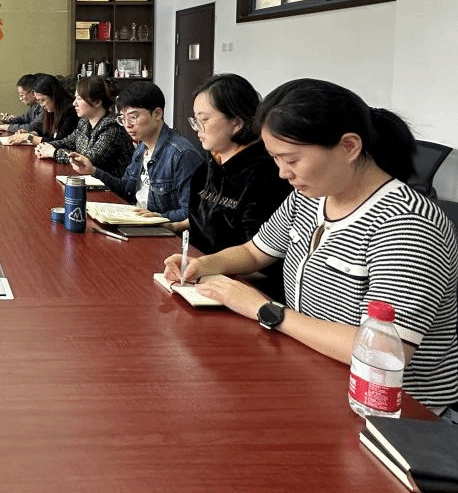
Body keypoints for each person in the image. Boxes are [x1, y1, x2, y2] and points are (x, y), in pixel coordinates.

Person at [163, 78, 458, 416]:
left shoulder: (407, 223)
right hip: (315, 374)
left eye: (291, 160)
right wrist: (203, 265)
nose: (282, 173)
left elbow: (380, 351)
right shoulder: (310, 197)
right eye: (275, 159)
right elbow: (255, 252)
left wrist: (266, 310)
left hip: (398, 413)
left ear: (349, 146)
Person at [166, 74, 291, 300]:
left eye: (204, 120)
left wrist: (206, 269)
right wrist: (172, 225)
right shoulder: (210, 164)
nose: (197, 129)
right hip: (201, 272)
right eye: (195, 120)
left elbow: (261, 256)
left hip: (245, 287)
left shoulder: (267, 175)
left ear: (237, 123)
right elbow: (206, 217)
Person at [70, 81, 204, 222]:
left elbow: (191, 213)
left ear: (157, 114)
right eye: (123, 118)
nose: (127, 125)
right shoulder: (142, 148)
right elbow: (125, 189)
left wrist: (160, 218)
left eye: (133, 117)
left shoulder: (181, 154)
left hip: (160, 229)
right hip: (135, 219)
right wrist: (93, 171)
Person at [34, 75, 133, 178]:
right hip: (89, 180)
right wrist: (45, 146)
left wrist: (53, 152)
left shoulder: (112, 127)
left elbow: (87, 161)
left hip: (109, 186)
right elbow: (69, 142)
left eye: (79, 99)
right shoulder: (84, 122)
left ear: (97, 102)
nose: (74, 103)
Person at [5, 74, 78, 145]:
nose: (41, 105)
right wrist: (30, 134)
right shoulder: (51, 109)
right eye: (38, 101)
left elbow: (59, 142)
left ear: (54, 96)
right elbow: (44, 132)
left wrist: (29, 138)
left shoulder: (71, 111)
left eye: (43, 100)